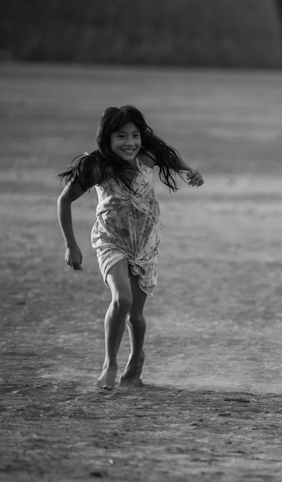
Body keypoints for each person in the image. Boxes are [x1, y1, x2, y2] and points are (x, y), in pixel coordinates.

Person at [57, 105, 204, 390]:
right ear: (106, 139)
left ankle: (136, 361)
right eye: (121, 136)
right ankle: (109, 363)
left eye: (135, 135)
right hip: (111, 241)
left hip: (145, 244)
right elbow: (64, 201)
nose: (130, 143)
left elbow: (170, 156)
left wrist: (189, 171)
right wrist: (70, 245)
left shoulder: (146, 159)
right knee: (121, 300)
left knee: (136, 316)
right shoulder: (97, 168)